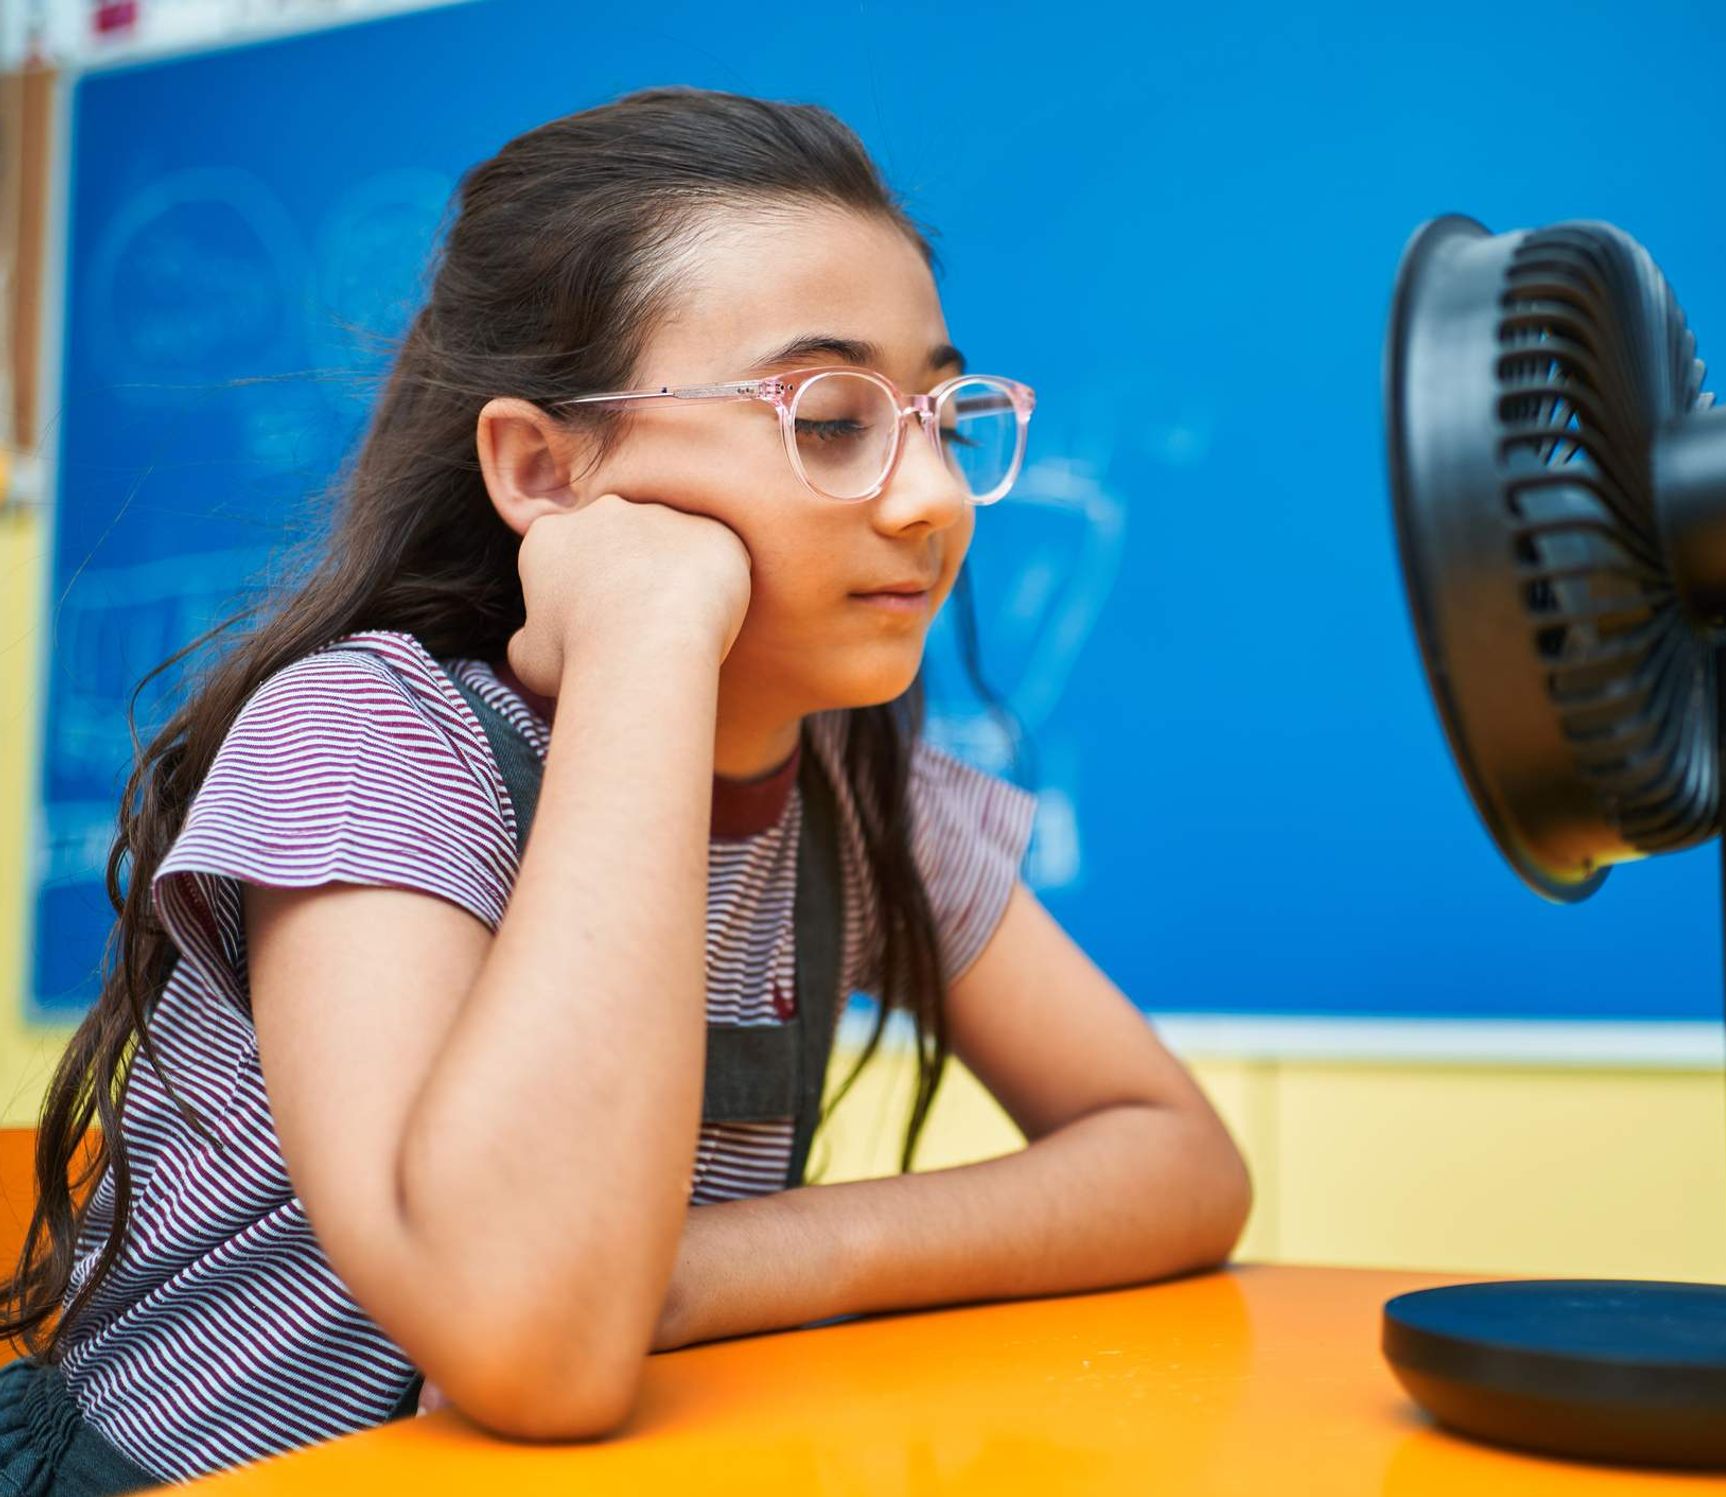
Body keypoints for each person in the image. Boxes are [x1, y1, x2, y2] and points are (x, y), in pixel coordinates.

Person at [0, 85, 1252, 1491]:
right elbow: (532, 1335)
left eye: (942, 414)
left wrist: (701, 1269)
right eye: (831, 418)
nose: (935, 498)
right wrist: (648, 636)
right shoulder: (375, 735)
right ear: (545, 467)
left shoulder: (865, 796)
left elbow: (1178, 1159)